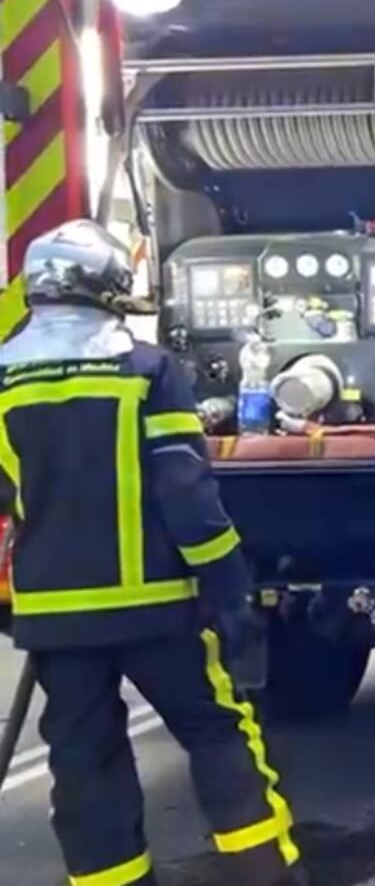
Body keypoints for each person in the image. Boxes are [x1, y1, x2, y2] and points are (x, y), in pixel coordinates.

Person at [0, 220, 305, 886]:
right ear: (110, 288)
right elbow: (186, 494)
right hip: (157, 609)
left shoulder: (4, 381)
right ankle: (265, 875)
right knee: (217, 733)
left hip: (55, 619)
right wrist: (230, 590)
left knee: (83, 764)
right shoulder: (144, 370)